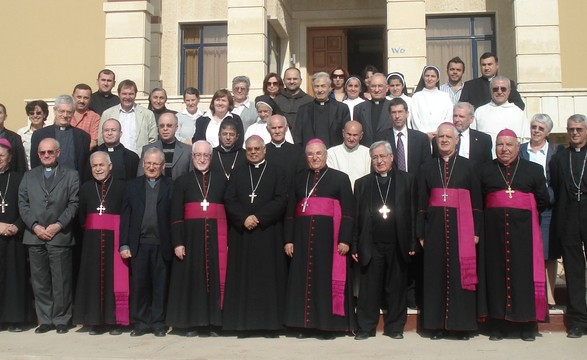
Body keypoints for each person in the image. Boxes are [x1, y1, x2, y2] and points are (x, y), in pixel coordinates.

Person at [478, 129, 549, 341]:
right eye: (500, 144)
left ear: (518, 146)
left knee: (523, 276)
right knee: (497, 277)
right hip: (494, 236)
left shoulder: (534, 170)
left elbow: (543, 200)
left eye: (509, 144)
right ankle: (498, 324)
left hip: (525, 235)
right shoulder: (485, 171)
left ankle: (527, 325)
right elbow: (479, 202)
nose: (504, 149)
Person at [284, 139, 356, 339]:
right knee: (303, 280)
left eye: (318, 154)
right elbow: (290, 212)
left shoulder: (340, 178)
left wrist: (345, 239)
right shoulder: (299, 179)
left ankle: (328, 327)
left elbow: (349, 213)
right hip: (302, 239)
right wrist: (289, 239)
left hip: (329, 242)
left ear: (326, 155)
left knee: (325, 280)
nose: (314, 158)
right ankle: (304, 325)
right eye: (310, 154)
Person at [416, 123, 482, 340]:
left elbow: (477, 203)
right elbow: (421, 205)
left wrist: (476, 231)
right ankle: (436, 326)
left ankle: (461, 326)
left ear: (457, 140)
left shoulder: (469, 167)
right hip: (434, 230)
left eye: (448, 137)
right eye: (440, 137)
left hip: (461, 230)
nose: (444, 140)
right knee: (435, 276)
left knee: (459, 274)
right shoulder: (426, 167)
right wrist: (421, 233)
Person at [223, 135, 288, 337]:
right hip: (242, 234)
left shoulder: (277, 171)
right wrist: (243, 218)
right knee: (243, 278)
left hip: (268, 233)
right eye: (249, 149)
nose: (253, 152)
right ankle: (243, 325)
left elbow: (281, 200)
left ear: (264, 149)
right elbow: (229, 199)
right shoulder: (238, 172)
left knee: (268, 279)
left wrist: (258, 217)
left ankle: (270, 325)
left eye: (257, 148)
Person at [352, 141, 416, 340]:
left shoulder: (407, 180)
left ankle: (395, 328)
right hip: (371, 244)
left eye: (382, 157)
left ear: (391, 157)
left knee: (396, 287)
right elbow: (356, 217)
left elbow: (413, 213)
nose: (379, 161)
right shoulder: (362, 184)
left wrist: (413, 241)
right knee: (369, 288)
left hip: (398, 243)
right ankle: (366, 328)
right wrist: (354, 244)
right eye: (375, 158)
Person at [166, 141, 228, 337]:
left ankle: (214, 323)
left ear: (211, 157)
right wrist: (178, 242)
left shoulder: (221, 180)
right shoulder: (182, 182)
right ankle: (192, 323)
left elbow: (228, 210)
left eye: (206, 155)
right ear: (192, 157)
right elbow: (175, 215)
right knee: (192, 280)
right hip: (190, 240)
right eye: (198, 155)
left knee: (214, 279)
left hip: (215, 237)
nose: (202, 159)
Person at [18, 138, 80, 334]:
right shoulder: (28, 176)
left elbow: (73, 204)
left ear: (58, 153)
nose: (46, 155)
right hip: (34, 235)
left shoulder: (71, 175)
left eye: (50, 152)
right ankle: (45, 319)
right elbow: (23, 203)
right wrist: (35, 226)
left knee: (61, 281)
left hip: (59, 235)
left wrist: (58, 225)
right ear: (38, 155)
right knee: (40, 280)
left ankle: (62, 319)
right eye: (43, 152)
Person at [73, 152, 128, 335]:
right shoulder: (86, 188)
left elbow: (126, 214)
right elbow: (81, 218)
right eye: (95, 166)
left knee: (115, 280)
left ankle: (114, 321)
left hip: (115, 240)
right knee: (93, 280)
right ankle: (95, 321)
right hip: (92, 242)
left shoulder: (121, 187)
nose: (98, 169)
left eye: (101, 165)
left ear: (110, 166)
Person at [120, 147, 173, 337]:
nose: (151, 167)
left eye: (155, 164)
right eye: (148, 163)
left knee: (160, 285)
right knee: (140, 285)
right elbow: (125, 216)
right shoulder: (132, 186)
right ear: (143, 165)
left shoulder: (171, 185)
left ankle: (159, 323)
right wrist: (123, 243)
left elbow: (174, 218)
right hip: (139, 244)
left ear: (162, 165)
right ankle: (141, 323)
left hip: (162, 243)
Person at [550, 114, 587, 338]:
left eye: (579, 129)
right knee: (573, 271)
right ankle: (578, 322)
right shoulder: (559, 158)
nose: (575, 133)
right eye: (571, 129)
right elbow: (556, 184)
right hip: (569, 216)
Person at [520, 114, 559, 310]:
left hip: (548, 209)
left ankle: (550, 297)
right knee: (526, 251)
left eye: (540, 128)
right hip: (525, 208)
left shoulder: (555, 152)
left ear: (548, 132)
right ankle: (530, 294)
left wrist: (548, 197)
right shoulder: (521, 151)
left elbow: (557, 181)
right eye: (534, 126)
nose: (536, 131)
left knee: (548, 253)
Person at [0, 139, 32, 332]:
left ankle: (16, 318)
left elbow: (27, 206)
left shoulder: (20, 178)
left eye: (2, 156)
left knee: (15, 277)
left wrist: (16, 226)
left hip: (14, 236)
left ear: (10, 158)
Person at [30, 95, 91, 177]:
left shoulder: (83, 137)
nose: (65, 115)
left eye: (69, 112)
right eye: (62, 111)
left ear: (73, 113)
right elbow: (35, 164)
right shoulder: (39, 135)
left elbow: (85, 167)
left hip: (74, 184)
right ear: (55, 111)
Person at [473, 76, 530, 154]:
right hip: (485, 162)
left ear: (509, 91)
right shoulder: (480, 112)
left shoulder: (518, 113)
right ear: (490, 91)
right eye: (495, 89)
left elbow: (525, 143)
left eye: (503, 89)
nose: (499, 92)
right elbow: (472, 140)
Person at [99, 79, 158, 155]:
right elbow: (101, 139)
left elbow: (153, 141)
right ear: (119, 95)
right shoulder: (108, 114)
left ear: (135, 95)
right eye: (124, 94)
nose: (127, 97)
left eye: (131, 94)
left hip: (139, 159)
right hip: (113, 158)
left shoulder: (147, 114)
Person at [294, 72, 350, 148]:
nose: (320, 90)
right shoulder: (303, 110)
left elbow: (347, 134)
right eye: (316, 86)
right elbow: (298, 137)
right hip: (310, 156)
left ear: (329, 88)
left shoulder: (341, 109)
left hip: (334, 155)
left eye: (323, 86)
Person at [376, 98, 431, 175]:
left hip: (415, 184)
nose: (397, 116)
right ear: (389, 115)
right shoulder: (381, 138)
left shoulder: (421, 138)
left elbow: (426, 167)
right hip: (390, 184)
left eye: (400, 112)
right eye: (394, 112)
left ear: (407, 113)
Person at [459, 52, 525, 110]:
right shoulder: (469, 86)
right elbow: (461, 107)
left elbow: (520, 105)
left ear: (497, 66)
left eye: (489, 64)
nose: (486, 68)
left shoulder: (507, 83)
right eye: (483, 65)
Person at [433, 102, 492, 166]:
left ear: (471, 119)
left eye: (461, 116)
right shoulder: (440, 139)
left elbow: (487, 166)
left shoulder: (483, 140)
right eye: (455, 116)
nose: (457, 119)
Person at [138, 112, 191, 180]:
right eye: (162, 126)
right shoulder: (147, 149)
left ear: (176, 127)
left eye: (169, 125)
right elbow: (140, 178)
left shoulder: (187, 151)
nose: (165, 129)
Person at [410, 65, 453, 140]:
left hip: (441, 137)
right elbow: (415, 119)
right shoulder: (416, 97)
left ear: (437, 78)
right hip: (421, 137)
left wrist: (439, 132)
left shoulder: (445, 97)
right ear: (423, 77)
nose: (429, 79)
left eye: (433, 76)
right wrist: (424, 134)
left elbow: (448, 117)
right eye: (427, 76)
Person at [326, 120, 371, 191]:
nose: (351, 138)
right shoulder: (331, 153)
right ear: (343, 133)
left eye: (355, 135)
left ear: (361, 136)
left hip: (362, 195)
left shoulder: (368, 153)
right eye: (349, 134)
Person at [265, 114, 305, 189]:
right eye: (273, 128)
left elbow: (302, 177)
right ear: (268, 129)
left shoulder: (298, 151)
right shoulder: (263, 151)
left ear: (286, 128)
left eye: (280, 127)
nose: (277, 131)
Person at [353, 73, 392, 146]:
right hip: (365, 152)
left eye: (380, 86)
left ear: (387, 88)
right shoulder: (359, 108)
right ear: (369, 88)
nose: (376, 90)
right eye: (373, 86)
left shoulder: (393, 107)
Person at [18, 100, 49, 170]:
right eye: (32, 113)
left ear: (44, 114)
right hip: (27, 172)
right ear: (28, 115)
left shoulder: (50, 131)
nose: (35, 116)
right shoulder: (21, 133)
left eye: (38, 113)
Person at [71, 84, 101, 150]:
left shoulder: (95, 117)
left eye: (85, 98)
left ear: (90, 100)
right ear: (73, 97)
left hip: (85, 156)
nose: (82, 101)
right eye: (79, 97)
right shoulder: (65, 114)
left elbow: (93, 142)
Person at [0, 103, 27, 173]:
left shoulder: (15, 138)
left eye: (0, 113)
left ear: (5, 116)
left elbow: (20, 164)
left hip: (10, 179)